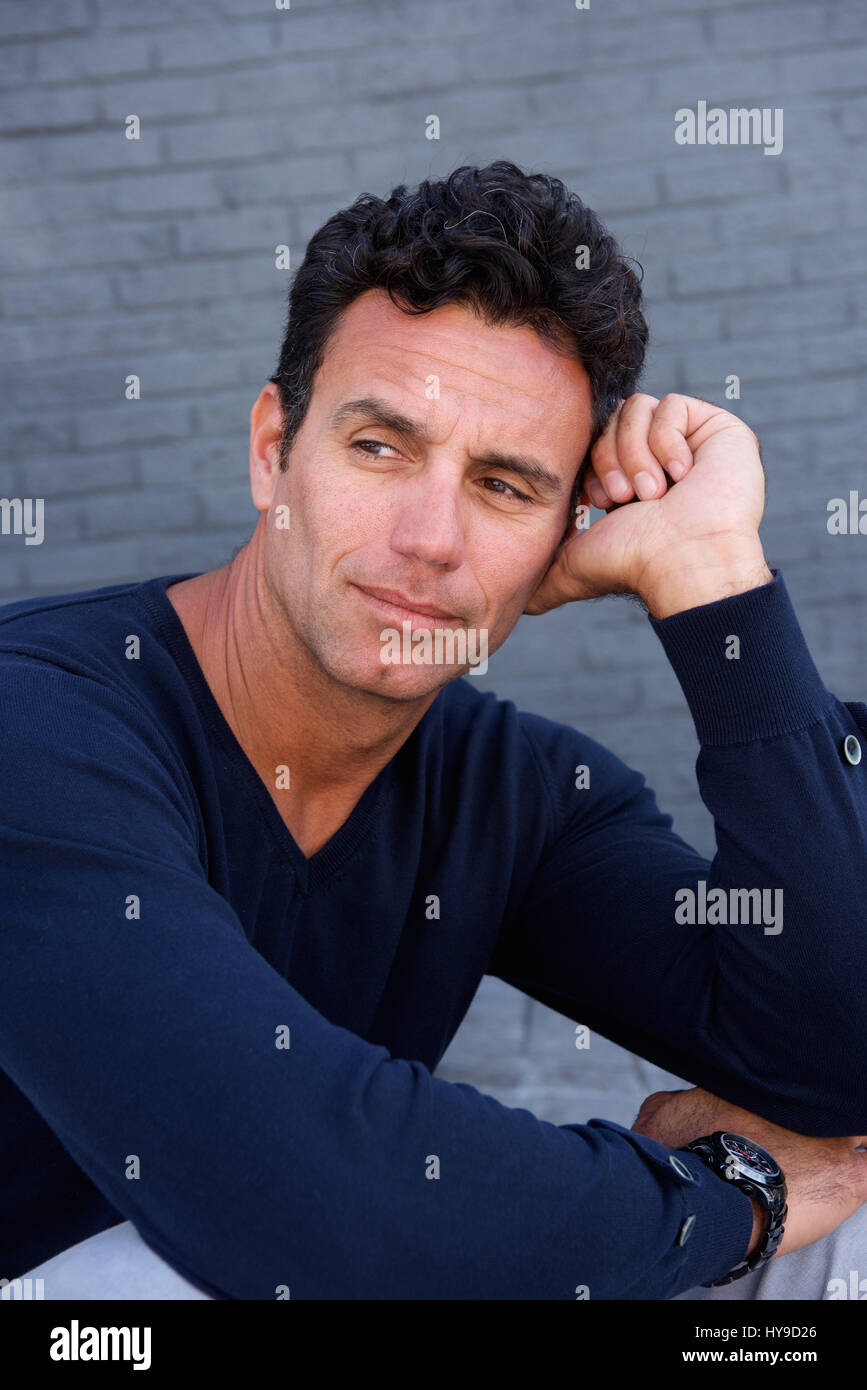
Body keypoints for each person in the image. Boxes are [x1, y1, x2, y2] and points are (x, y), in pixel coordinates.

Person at [1, 161, 866, 1301]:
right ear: (275, 451)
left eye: (506, 485)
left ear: (570, 528)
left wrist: (714, 581)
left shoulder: (516, 790)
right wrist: (731, 1194)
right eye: (380, 447)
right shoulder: (41, 721)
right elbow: (309, 1199)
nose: (431, 538)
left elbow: (834, 1054)